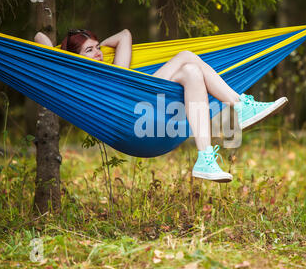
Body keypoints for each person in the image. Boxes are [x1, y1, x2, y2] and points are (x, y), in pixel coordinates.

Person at [34, 29, 288, 183]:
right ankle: (239, 104)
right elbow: (39, 38)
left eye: (98, 48)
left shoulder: (115, 68)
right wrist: (68, 57)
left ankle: (205, 158)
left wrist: (94, 43)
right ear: (75, 58)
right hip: (126, 111)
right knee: (187, 57)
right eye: (90, 50)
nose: (98, 53)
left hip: (143, 100)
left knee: (191, 72)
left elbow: (124, 36)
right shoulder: (77, 78)